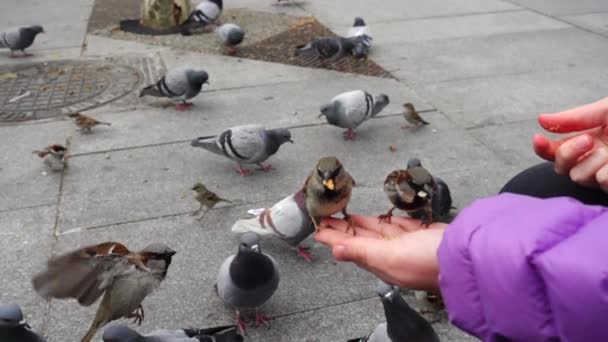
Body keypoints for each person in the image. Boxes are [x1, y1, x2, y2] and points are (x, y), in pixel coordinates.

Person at [315, 98, 608, 341]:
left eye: (426, 187)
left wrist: (461, 259)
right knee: (532, 188)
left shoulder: (426, 190)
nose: (425, 192)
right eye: (419, 187)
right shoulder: (394, 185)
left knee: (529, 194)